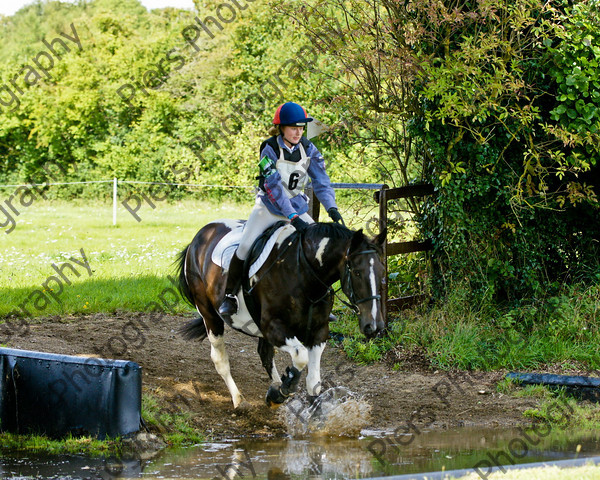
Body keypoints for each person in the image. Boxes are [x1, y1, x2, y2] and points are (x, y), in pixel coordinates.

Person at [218, 101, 344, 318]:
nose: (298, 132)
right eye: (293, 127)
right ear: (281, 128)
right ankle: (230, 296)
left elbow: (321, 182)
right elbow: (273, 187)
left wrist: (331, 207)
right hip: (268, 208)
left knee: (319, 247)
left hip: (297, 206)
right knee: (246, 245)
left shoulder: (309, 148)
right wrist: (292, 217)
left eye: (301, 128)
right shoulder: (269, 148)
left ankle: (321, 296)